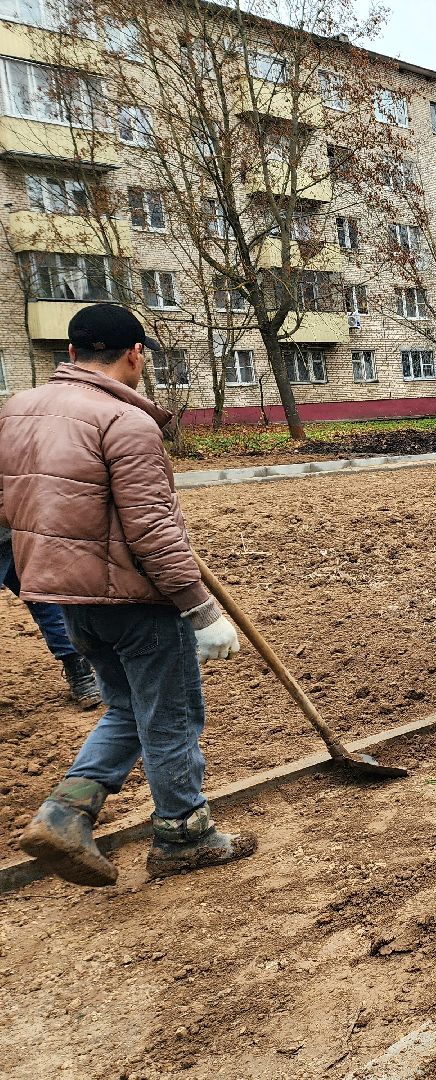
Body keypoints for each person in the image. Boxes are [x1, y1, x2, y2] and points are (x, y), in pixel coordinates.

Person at [0, 303, 254, 887]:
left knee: (126, 708)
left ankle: (65, 813)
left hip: (66, 600)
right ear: (135, 354)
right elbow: (151, 528)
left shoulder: (17, 411)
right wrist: (199, 607)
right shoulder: (126, 422)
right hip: (135, 602)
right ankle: (182, 835)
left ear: (71, 354)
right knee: (172, 718)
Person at [2, 523, 102, 709]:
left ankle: (80, 673)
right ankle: (81, 677)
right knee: (42, 597)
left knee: (42, 597)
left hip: (12, 531)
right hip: (12, 528)